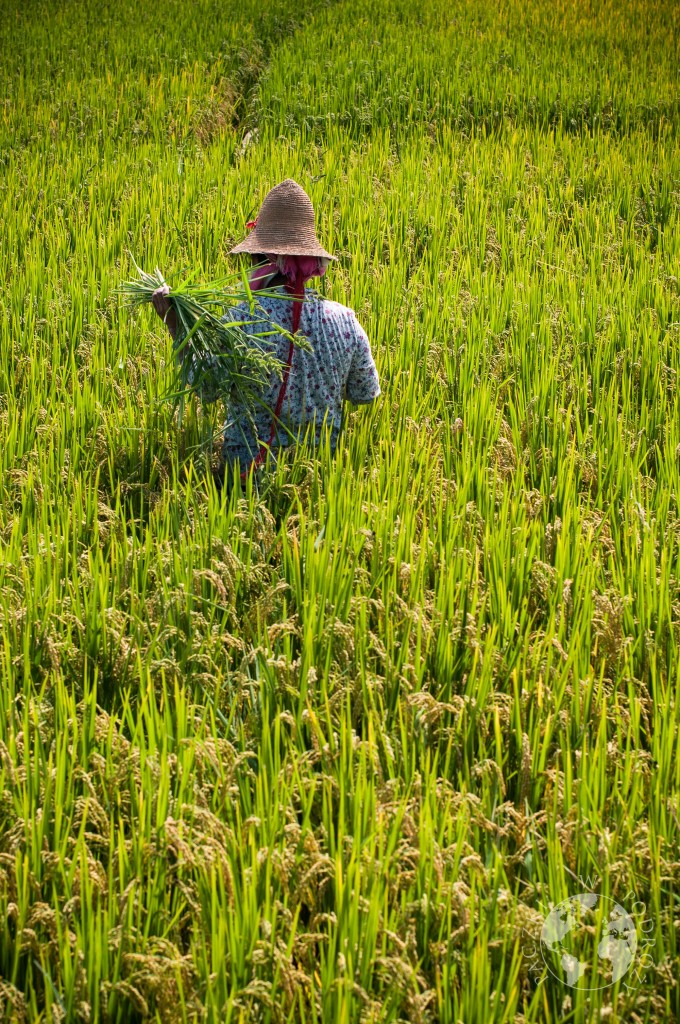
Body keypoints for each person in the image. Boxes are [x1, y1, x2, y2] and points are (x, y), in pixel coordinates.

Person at [152, 178, 380, 487]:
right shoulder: (346, 322)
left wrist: (175, 324)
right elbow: (365, 393)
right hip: (317, 483)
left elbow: (206, 389)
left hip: (246, 484)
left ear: (260, 259)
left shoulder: (241, 321)